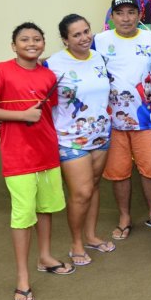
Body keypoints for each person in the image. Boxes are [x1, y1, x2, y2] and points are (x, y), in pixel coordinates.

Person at [0, 22, 75, 300]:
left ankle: (45, 257)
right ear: (14, 46)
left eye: (37, 39)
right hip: (18, 157)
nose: (31, 43)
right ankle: (22, 278)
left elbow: (48, 113)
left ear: (44, 44)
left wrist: (11, 115)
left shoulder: (48, 76)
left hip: (47, 153)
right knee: (23, 216)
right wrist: (18, 116)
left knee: (46, 209)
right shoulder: (0, 71)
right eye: (24, 39)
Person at [93, 0, 151, 240]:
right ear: (112, 17)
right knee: (118, 171)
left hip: (146, 118)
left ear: (139, 16)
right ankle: (124, 217)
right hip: (112, 120)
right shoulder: (99, 41)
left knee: (150, 169)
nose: (126, 18)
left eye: (131, 13)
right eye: (120, 13)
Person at [44, 14, 114, 266]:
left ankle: (91, 236)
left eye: (87, 31)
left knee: (94, 186)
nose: (84, 38)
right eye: (76, 34)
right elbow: (34, 94)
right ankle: (75, 245)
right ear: (65, 39)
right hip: (70, 139)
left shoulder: (99, 58)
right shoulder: (53, 64)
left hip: (101, 135)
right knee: (81, 192)